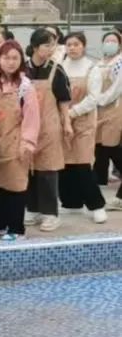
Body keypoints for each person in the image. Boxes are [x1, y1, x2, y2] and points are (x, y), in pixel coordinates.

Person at [0, 40, 40, 241]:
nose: (11, 62)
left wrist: (27, 143)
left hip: (16, 142)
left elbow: (32, 118)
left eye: (15, 58)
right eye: (6, 57)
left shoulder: (25, 87)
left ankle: (16, 229)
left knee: (15, 185)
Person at [25, 28, 72, 232]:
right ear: (35, 47)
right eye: (47, 45)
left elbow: (64, 101)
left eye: (53, 45)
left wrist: (67, 123)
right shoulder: (23, 69)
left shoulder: (56, 70)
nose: (51, 49)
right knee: (29, 169)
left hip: (49, 127)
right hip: (27, 127)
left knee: (48, 171)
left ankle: (50, 213)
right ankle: (32, 208)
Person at [59, 32, 106, 223]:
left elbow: (93, 98)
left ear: (84, 46)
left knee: (82, 164)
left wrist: (71, 113)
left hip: (83, 122)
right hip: (63, 122)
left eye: (76, 44)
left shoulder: (92, 68)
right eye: (69, 44)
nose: (72, 48)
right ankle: (71, 203)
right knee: (65, 163)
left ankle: (97, 205)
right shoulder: (60, 67)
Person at [94, 31, 122, 209]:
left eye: (114, 41)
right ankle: (99, 181)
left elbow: (117, 88)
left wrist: (101, 99)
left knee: (112, 145)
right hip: (99, 110)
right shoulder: (99, 63)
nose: (110, 43)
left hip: (114, 108)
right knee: (100, 146)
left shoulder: (119, 63)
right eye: (107, 40)